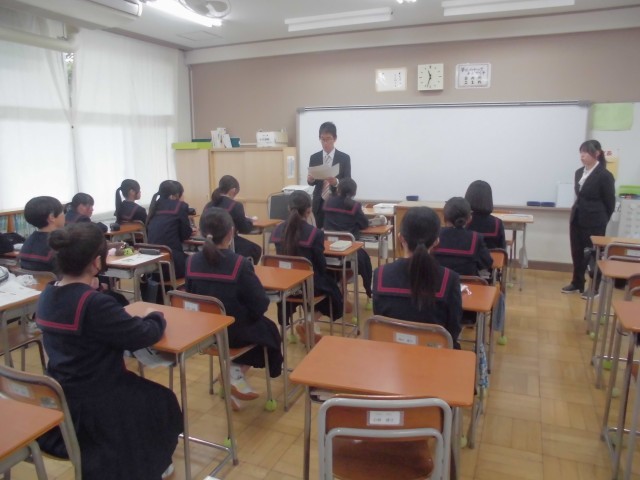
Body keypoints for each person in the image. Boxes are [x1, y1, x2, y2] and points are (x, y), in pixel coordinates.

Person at [35, 222, 182, 480]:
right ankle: (154, 464)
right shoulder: (92, 303)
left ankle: (149, 458)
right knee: (162, 401)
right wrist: (155, 316)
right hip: (97, 399)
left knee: (147, 398)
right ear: (96, 262)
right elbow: (142, 334)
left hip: (63, 392)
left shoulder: (47, 294)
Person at [185, 207, 282, 410]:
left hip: (206, 332)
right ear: (231, 233)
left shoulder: (192, 262)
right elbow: (260, 303)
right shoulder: (239, 264)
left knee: (260, 330)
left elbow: (191, 297)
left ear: (201, 232)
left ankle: (233, 376)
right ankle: (234, 371)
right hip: (234, 332)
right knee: (269, 332)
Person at [372, 207, 462, 348]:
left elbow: (379, 322)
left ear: (401, 237)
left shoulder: (381, 274)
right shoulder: (449, 279)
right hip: (435, 355)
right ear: (436, 241)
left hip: (391, 354)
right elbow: (453, 331)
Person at [270, 190, 344, 343]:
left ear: (289, 208)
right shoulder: (314, 233)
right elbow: (321, 266)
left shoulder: (277, 230)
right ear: (309, 211)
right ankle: (308, 322)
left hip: (285, 286)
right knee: (333, 291)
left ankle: (305, 326)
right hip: (309, 286)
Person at [562, 139, 615, 297]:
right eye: (581, 152)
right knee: (577, 252)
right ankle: (577, 282)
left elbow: (610, 203)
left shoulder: (604, 175)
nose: (582, 155)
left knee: (593, 254)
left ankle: (595, 287)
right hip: (577, 218)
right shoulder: (579, 172)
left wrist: (602, 221)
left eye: (586, 152)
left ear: (597, 153)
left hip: (595, 221)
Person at [322, 177, 373, 307]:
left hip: (328, 249)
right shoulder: (354, 206)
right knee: (363, 260)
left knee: (347, 264)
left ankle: (341, 287)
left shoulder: (328, 202)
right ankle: (349, 288)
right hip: (347, 249)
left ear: (338, 189)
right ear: (354, 192)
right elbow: (364, 224)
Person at [203, 175, 261, 264]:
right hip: (228, 242)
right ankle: (243, 269)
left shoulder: (208, 205)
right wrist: (250, 221)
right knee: (256, 249)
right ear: (233, 190)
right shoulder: (236, 205)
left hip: (208, 241)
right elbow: (244, 229)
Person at [433, 196, 493, 276]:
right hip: (468, 283)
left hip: (439, 281)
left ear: (444, 217)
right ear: (469, 218)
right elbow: (487, 262)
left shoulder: (435, 235)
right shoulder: (476, 237)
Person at [306, 121, 351, 228]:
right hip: (319, 202)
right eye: (322, 139)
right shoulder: (314, 157)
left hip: (337, 201)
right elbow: (312, 182)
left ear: (335, 139)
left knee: (335, 231)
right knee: (318, 232)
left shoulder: (344, 158)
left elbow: (348, 181)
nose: (325, 143)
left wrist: (336, 182)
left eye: (328, 139)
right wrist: (311, 180)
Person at [146, 180, 193, 279]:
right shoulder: (180, 206)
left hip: (154, 266)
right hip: (172, 264)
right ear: (173, 196)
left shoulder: (154, 206)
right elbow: (185, 235)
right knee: (198, 261)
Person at [19, 196, 65, 272]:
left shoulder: (28, 242)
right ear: (52, 217)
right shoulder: (59, 244)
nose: (64, 215)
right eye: (62, 211)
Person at [464, 180, 506, 250]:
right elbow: (502, 250)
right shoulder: (497, 223)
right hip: (492, 257)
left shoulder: (463, 221)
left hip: (467, 257)